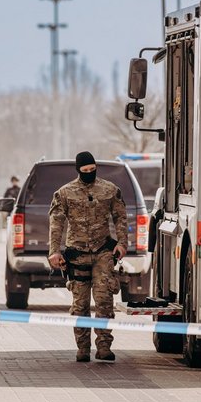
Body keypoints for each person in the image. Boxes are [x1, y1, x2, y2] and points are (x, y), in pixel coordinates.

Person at [48, 151, 127, 362]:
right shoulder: (65, 193)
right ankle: (83, 348)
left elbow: (120, 216)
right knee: (80, 304)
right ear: (78, 171)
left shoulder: (109, 190)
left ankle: (104, 346)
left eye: (93, 170)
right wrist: (54, 251)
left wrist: (122, 243)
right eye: (85, 171)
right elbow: (56, 223)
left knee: (104, 300)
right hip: (77, 255)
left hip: (103, 252)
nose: (90, 174)